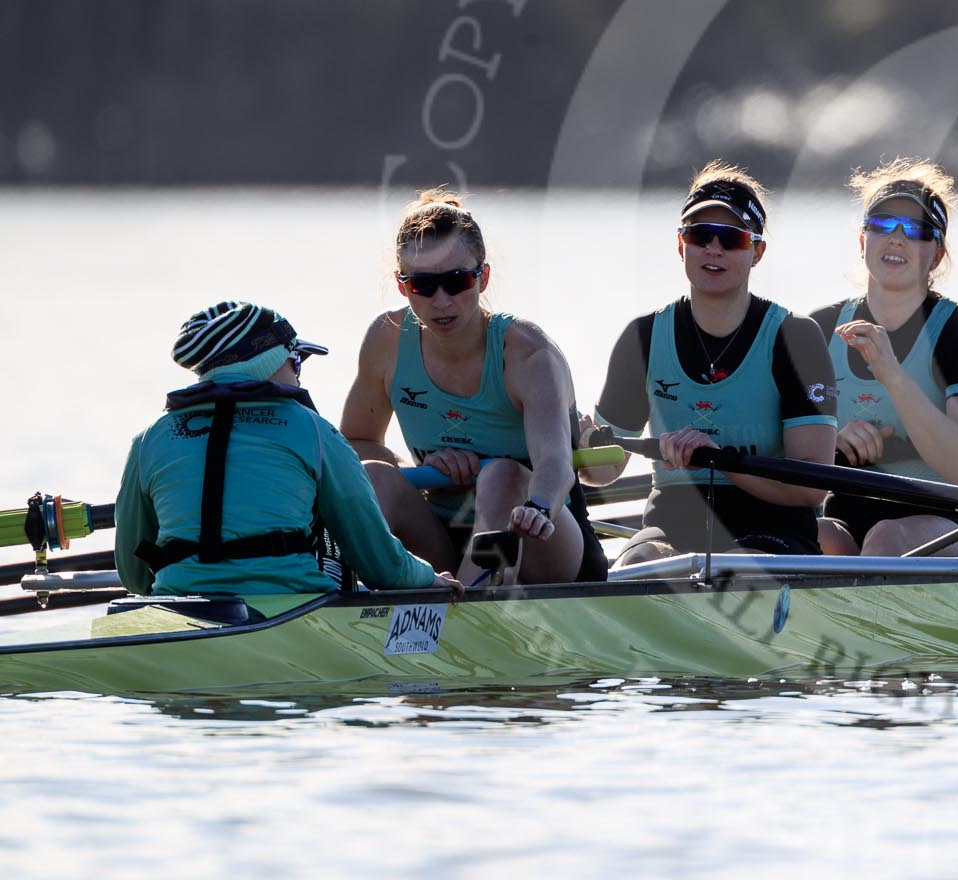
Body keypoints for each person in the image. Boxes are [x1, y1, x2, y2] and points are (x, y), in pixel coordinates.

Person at [339, 191, 611, 586]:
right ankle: (343, 603)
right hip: (446, 538)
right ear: (402, 286)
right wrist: (421, 470)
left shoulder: (529, 354)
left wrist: (536, 508)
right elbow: (356, 442)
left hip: (543, 540)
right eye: (423, 285)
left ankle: (461, 613)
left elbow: (555, 465)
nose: (442, 300)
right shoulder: (387, 339)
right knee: (374, 477)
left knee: (502, 476)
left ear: (482, 277)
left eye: (457, 281)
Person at [117, 301, 458, 598]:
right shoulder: (312, 429)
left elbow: (133, 573)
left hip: (179, 608)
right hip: (294, 606)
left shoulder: (149, 439)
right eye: (297, 362)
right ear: (269, 363)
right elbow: (380, 565)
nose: (299, 377)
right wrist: (428, 578)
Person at [595, 164, 839, 561]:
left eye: (731, 238)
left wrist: (719, 458)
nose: (713, 248)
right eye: (698, 235)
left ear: (757, 252)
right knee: (638, 562)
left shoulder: (796, 337)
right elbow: (601, 472)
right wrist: (582, 443)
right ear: (681, 245)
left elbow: (812, 487)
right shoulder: (641, 338)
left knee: (736, 572)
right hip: (674, 518)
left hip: (773, 522)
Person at [808, 161, 958, 557]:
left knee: (886, 538)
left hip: (950, 522)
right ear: (863, 241)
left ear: (935, 255)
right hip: (847, 516)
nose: (896, 238)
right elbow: (787, 457)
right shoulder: (818, 329)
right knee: (810, 535)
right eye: (882, 224)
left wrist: (893, 377)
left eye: (915, 230)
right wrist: (831, 443)